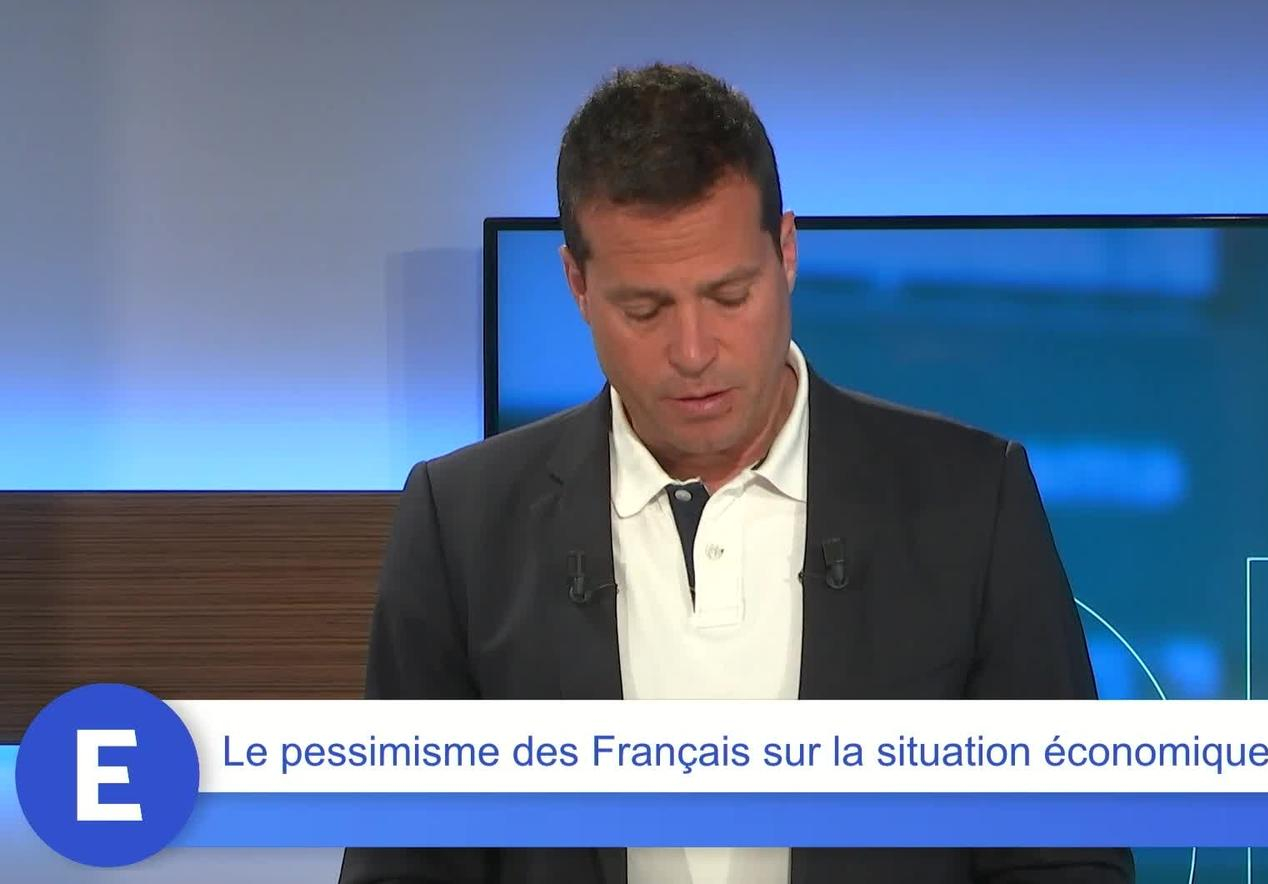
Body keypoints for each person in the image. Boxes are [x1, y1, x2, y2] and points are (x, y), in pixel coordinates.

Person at [339, 62, 1133, 884]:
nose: (692, 352)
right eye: (645, 309)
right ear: (577, 283)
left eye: (729, 296)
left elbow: (1063, 855)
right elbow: (405, 863)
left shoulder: (972, 500)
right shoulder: (461, 523)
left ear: (786, 253)